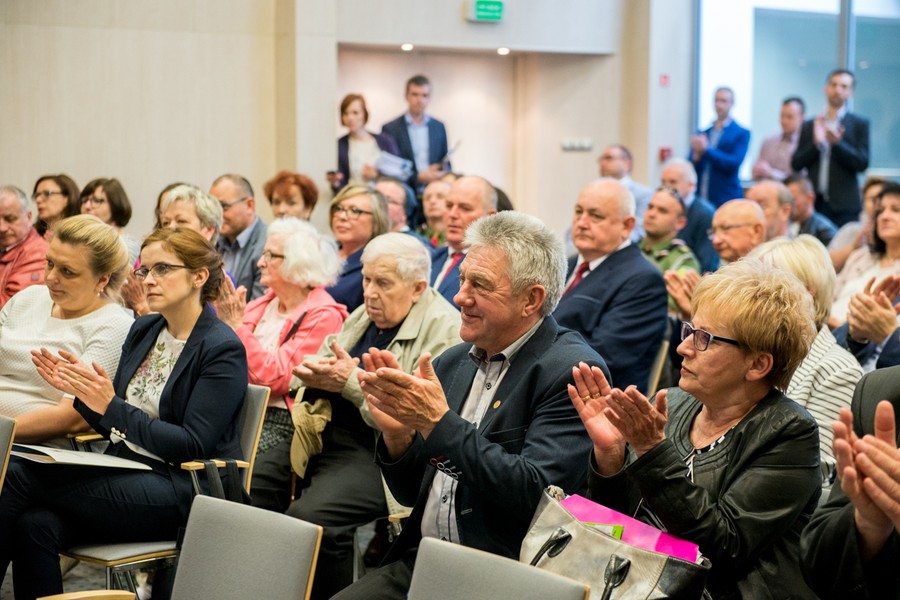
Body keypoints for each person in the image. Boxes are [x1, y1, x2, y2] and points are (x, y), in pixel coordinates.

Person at [331, 211, 604, 600]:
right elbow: (412, 494)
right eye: (462, 279)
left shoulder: (569, 371)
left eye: (480, 285)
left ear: (532, 299)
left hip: (502, 574)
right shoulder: (452, 361)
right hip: (423, 561)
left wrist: (438, 423)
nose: (460, 296)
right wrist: (398, 435)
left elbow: (537, 496)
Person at [0, 227, 248, 600]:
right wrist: (81, 391)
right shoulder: (146, 328)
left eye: (162, 269)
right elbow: (111, 422)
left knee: (18, 474)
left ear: (199, 277)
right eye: (144, 270)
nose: (148, 280)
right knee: (35, 525)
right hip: (125, 470)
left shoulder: (221, 348)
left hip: (181, 488)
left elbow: (191, 444)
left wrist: (109, 405)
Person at [574, 259, 821, 599]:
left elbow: (723, 548)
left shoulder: (789, 431)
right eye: (689, 330)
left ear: (758, 364)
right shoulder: (672, 403)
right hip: (634, 585)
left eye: (704, 339)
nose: (683, 348)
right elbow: (615, 524)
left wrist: (650, 452)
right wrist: (611, 455)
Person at [250, 232, 461, 599]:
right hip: (324, 432)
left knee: (312, 520)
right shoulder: (365, 314)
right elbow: (320, 361)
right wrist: (316, 373)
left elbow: (413, 421)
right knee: (251, 485)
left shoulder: (446, 329)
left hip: (384, 456)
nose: (369, 292)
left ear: (418, 287)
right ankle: (273, 588)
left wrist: (348, 382)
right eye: (365, 279)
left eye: (383, 282)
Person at [216, 218, 348, 459]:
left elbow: (277, 378)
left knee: (236, 474)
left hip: (279, 419)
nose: (260, 262)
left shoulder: (324, 315)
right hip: (235, 407)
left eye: (270, 255)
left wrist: (235, 325)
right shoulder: (261, 305)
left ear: (297, 263)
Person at [0, 214, 133, 447]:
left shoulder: (113, 325)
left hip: (41, 451)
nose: (51, 278)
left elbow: (72, 418)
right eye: (50, 263)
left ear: (102, 279)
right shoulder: (27, 298)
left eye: (67, 272)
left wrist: (3, 434)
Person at [749, 235, 862, 480]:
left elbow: (817, 471)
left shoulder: (837, 370)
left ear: (807, 294)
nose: (746, 301)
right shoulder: (744, 351)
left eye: (763, 290)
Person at [553, 178, 668, 394]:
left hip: (593, 404)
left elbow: (602, 360)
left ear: (627, 226)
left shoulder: (643, 280)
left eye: (595, 216)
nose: (582, 223)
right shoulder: (565, 265)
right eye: (579, 212)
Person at [801, 368, 900, 598]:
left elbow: (731, 539)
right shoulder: (879, 392)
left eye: (708, 338)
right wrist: (868, 526)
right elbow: (819, 569)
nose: (697, 347)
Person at [791, 69, 870, 227]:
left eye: (844, 86)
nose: (838, 90)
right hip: (815, 204)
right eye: (834, 85)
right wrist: (816, 144)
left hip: (845, 205)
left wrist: (837, 144)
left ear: (850, 92)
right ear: (826, 88)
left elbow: (862, 163)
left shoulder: (859, 124)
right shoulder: (810, 125)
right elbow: (796, 164)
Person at [832, 182, 900, 326]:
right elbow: (831, 295)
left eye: (895, 210)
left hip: (857, 341)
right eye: (880, 211)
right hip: (824, 330)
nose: (884, 216)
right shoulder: (860, 257)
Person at [429, 176, 497, 306]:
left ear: (489, 217)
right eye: (449, 206)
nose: (453, 214)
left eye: (465, 208)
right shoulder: (430, 258)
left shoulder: (492, 268)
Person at [325, 184, 390, 312]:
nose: (342, 217)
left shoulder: (378, 264)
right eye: (339, 209)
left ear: (377, 219)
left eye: (355, 211)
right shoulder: (322, 252)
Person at [381, 74, 450, 192]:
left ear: (429, 98)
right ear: (406, 96)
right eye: (415, 94)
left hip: (433, 190)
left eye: (424, 95)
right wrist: (418, 177)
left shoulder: (438, 127)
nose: (420, 100)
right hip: (404, 191)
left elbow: (446, 159)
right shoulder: (390, 129)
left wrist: (441, 169)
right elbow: (389, 167)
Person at [639, 186, 700, 315]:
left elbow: (671, 309)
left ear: (680, 223)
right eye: (650, 207)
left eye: (662, 211)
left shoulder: (683, 261)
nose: (652, 214)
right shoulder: (632, 246)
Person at [210, 173, 268, 301]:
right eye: (212, 207)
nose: (215, 215)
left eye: (223, 207)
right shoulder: (212, 241)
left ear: (249, 205)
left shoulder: (268, 244)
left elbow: (259, 307)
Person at [690, 87, 751, 207]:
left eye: (723, 101)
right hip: (702, 194)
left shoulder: (741, 133)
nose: (719, 105)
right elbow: (690, 164)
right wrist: (695, 157)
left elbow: (733, 163)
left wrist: (706, 150)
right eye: (716, 100)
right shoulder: (704, 133)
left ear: (732, 103)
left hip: (725, 196)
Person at [327, 93, 400, 192]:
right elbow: (341, 184)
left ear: (364, 114)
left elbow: (399, 174)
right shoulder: (340, 145)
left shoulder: (385, 141)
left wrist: (376, 176)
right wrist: (335, 183)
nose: (350, 118)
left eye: (355, 113)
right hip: (354, 197)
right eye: (346, 113)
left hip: (383, 197)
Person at [661, 158, 719, 273]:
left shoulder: (705, 214)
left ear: (691, 185)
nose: (666, 188)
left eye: (673, 182)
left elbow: (707, 263)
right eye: (663, 182)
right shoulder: (665, 209)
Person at [0, 185, 49, 307]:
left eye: (10, 219)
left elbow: (12, 307)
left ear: (28, 216)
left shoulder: (38, 254)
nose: (2, 228)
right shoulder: (6, 246)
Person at [830, 176, 887, 273]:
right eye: (873, 199)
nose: (877, 205)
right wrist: (853, 247)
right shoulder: (850, 230)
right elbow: (825, 265)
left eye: (881, 198)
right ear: (863, 202)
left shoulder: (893, 234)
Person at [79, 177, 140, 264]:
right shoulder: (79, 239)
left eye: (96, 201)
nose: (87, 206)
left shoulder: (127, 245)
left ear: (115, 205)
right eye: (84, 201)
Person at [597, 144, 654, 236]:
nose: (602, 163)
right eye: (601, 159)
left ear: (627, 163)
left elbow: (640, 232)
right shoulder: (593, 192)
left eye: (609, 158)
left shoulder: (644, 194)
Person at [752, 96, 805, 181]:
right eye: (782, 116)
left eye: (789, 117)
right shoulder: (769, 141)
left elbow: (801, 180)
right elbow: (757, 173)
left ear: (802, 118)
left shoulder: (805, 144)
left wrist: (771, 173)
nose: (784, 121)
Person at [785, 174, 838, 247]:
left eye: (793, 200)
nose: (789, 205)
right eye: (786, 201)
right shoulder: (784, 226)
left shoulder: (825, 231)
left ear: (810, 198)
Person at [32, 174, 80, 239]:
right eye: (37, 195)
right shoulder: (31, 234)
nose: (38, 200)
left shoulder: (81, 234)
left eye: (47, 194)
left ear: (67, 199)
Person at [418, 179, 449, 247]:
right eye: (427, 198)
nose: (432, 201)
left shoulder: (459, 238)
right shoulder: (415, 236)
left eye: (440, 196)